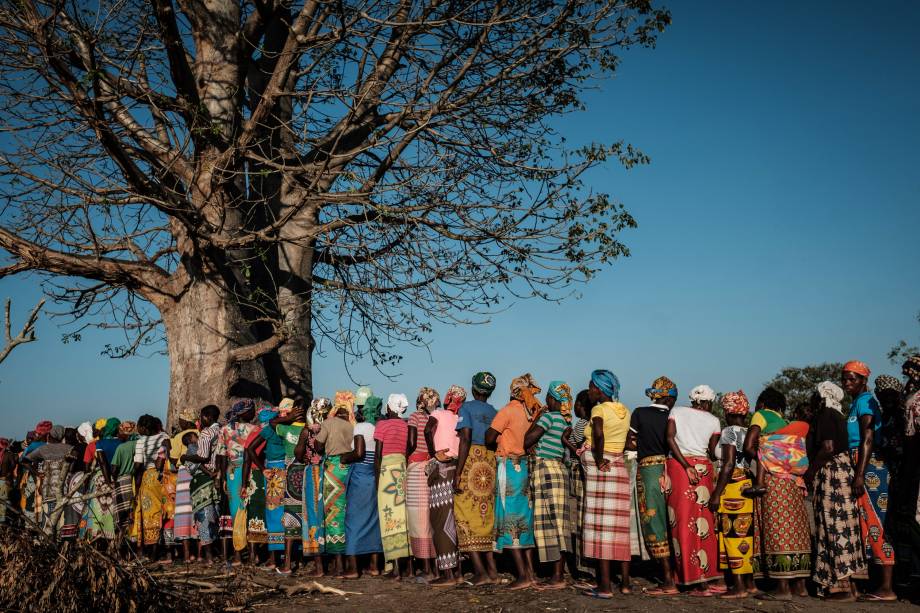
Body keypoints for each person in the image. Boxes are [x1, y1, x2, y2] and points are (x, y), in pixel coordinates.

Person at [743, 386, 811, 599]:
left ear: (762, 404)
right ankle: (800, 587)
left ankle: (782, 589)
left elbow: (749, 445)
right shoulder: (786, 423)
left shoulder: (761, 415)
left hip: (774, 482)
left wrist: (766, 459)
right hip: (793, 482)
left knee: (777, 529)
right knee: (796, 530)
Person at [803, 381, 865, 600]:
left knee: (833, 526)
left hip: (832, 475)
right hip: (841, 472)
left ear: (822, 397)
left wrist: (810, 472)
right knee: (844, 525)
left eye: (814, 395)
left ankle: (841, 586)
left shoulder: (826, 415)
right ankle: (848, 584)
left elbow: (827, 448)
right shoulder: (838, 415)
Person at [841, 361, 896, 600]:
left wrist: (860, 473)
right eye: (844, 379)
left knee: (876, 523)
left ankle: (887, 588)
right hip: (862, 462)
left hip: (870, 465)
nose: (847, 383)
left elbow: (868, 437)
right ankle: (877, 583)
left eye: (852, 379)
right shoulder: (856, 403)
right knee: (866, 524)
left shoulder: (866, 402)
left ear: (864, 380)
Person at [665, 385, 722, 595]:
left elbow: (670, 438)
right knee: (704, 522)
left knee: (681, 524)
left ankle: (688, 578)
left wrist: (686, 465)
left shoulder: (677, 412)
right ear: (709, 401)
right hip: (703, 470)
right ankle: (707, 577)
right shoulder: (714, 420)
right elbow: (714, 452)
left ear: (693, 399)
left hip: (680, 469)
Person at [486, 373, 540, 590]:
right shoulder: (531, 412)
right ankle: (530, 572)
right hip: (524, 467)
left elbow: (490, 437)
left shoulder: (507, 411)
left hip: (508, 468)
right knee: (523, 520)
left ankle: (522, 575)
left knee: (509, 519)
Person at [628, 376, 678, 595]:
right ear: (669, 398)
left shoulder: (639, 413)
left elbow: (630, 441)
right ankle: (679, 574)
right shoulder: (674, 416)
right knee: (674, 521)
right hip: (674, 470)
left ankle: (667, 579)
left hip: (649, 470)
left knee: (655, 523)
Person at [523, 380, 572, 589]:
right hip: (559, 470)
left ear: (553, 399)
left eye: (549, 398)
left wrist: (537, 418)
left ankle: (557, 576)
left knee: (548, 523)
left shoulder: (549, 418)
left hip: (546, 471)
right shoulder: (566, 420)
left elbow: (527, 440)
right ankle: (557, 574)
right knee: (558, 522)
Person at [708, 390, 756, 599]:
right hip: (746, 483)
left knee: (732, 534)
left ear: (727, 412)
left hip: (732, 486)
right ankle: (750, 583)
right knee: (745, 534)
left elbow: (727, 464)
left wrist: (716, 494)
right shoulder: (749, 432)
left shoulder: (729, 432)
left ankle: (738, 587)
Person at [452, 372, 499, 586]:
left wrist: (458, 472)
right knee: (484, 516)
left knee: (464, 515)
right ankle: (492, 571)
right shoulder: (494, 412)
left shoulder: (466, 409)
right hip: (488, 465)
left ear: (473, 388)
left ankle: (480, 572)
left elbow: (466, 439)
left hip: (471, 462)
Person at [425, 385, 465, 586]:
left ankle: (448, 575)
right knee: (453, 521)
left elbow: (427, 429)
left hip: (441, 470)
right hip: (456, 470)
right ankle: (457, 573)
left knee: (440, 522)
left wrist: (433, 452)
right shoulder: (460, 419)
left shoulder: (438, 413)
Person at [342, 395, 383, 578]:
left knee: (353, 521)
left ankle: (353, 568)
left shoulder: (361, 427)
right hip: (374, 476)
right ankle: (374, 566)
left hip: (360, 477)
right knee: (374, 521)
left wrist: (345, 457)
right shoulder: (378, 428)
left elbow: (358, 453)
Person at [316, 392, 356, 576]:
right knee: (347, 511)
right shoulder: (352, 425)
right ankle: (351, 561)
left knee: (333, 513)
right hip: (348, 469)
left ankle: (338, 563)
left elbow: (318, 446)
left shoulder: (328, 423)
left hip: (332, 470)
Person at [243, 406, 287, 569]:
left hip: (274, 474)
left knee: (274, 513)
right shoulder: (283, 429)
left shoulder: (269, 430)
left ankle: (274, 559)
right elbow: (251, 449)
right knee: (285, 513)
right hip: (285, 470)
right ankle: (284, 557)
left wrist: (263, 469)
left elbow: (249, 449)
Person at [217, 399, 258, 566]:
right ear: (244, 413)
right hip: (252, 472)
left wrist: (223, 477)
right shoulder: (256, 429)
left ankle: (238, 555)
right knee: (251, 510)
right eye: (252, 410)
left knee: (237, 512)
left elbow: (221, 455)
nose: (254, 413)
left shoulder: (225, 430)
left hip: (233, 472)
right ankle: (254, 555)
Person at [374, 393, 411, 577]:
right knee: (402, 518)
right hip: (402, 471)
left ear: (389, 408)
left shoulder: (382, 425)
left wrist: (376, 481)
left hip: (387, 473)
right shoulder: (405, 426)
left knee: (389, 519)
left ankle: (394, 567)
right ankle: (406, 567)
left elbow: (378, 455)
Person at [295, 397, 331, 576]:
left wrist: (305, 436)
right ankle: (330, 564)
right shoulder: (327, 428)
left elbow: (299, 455)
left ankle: (320, 567)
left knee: (314, 515)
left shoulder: (310, 431)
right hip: (327, 473)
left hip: (314, 474)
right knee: (326, 515)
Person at [182, 405, 222, 564]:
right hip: (218, 476)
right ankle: (216, 553)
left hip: (203, 482)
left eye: (202, 416)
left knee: (204, 517)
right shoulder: (222, 430)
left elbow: (203, 457)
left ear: (207, 417)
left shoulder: (206, 433)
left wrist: (186, 458)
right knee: (215, 516)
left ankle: (209, 557)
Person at [406, 387, 438, 578]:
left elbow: (411, 442)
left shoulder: (414, 417)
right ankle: (435, 565)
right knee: (429, 516)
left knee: (418, 519)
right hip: (432, 466)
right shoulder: (436, 418)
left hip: (417, 468)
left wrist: (405, 458)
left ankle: (425, 567)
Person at [562, 389, 593, 580]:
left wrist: (566, 440)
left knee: (581, 517)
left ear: (580, 406)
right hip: (587, 473)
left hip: (579, 471)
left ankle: (585, 567)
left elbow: (579, 451)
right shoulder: (591, 420)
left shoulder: (582, 423)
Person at [22, 425, 75, 536]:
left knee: (47, 524)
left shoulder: (44, 449)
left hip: (47, 491)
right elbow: (71, 468)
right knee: (61, 524)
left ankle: (47, 547)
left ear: (50, 436)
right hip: (64, 491)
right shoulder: (69, 449)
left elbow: (25, 460)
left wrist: (37, 474)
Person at [275, 398, 308, 574]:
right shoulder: (311, 428)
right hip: (309, 474)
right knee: (308, 514)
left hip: (292, 474)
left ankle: (288, 564)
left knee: (291, 515)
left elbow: (271, 423)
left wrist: (287, 418)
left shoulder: (286, 428)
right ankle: (303, 560)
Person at [131, 415, 168, 557]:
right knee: (163, 511)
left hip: (148, 479)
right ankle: (165, 547)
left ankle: (152, 551)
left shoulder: (141, 442)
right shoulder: (164, 436)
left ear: (145, 428)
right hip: (164, 478)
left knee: (149, 514)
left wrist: (132, 477)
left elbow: (138, 465)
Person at [109, 420, 138, 533]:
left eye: (120, 432)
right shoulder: (139, 444)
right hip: (135, 480)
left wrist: (113, 478)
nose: (118, 434)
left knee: (122, 515)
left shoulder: (121, 448)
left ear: (125, 433)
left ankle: (123, 540)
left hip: (123, 482)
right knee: (133, 511)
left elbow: (114, 468)